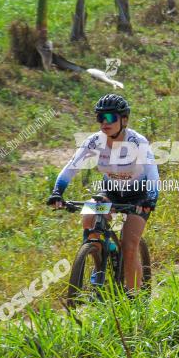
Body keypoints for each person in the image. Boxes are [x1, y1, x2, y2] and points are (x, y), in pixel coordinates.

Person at [47, 94, 158, 294]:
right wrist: (57, 192)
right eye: (100, 117)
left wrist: (150, 199)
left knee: (129, 245)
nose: (104, 123)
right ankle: (99, 261)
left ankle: (135, 298)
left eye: (110, 118)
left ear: (124, 120)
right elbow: (71, 167)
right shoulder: (94, 141)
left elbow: (152, 174)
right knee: (89, 218)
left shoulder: (137, 142)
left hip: (138, 197)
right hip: (111, 193)